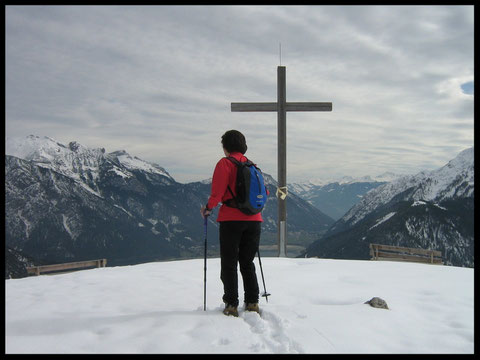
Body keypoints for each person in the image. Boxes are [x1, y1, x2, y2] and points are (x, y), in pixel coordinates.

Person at [200, 130, 266, 317]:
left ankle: (231, 304)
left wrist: (208, 208)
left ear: (226, 147)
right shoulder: (253, 166)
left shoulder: (225, 163)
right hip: (254, 221)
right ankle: (252, 302)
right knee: (247, 263)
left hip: (231, 220)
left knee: (229, 263)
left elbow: (218, 193)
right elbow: (265, 193)